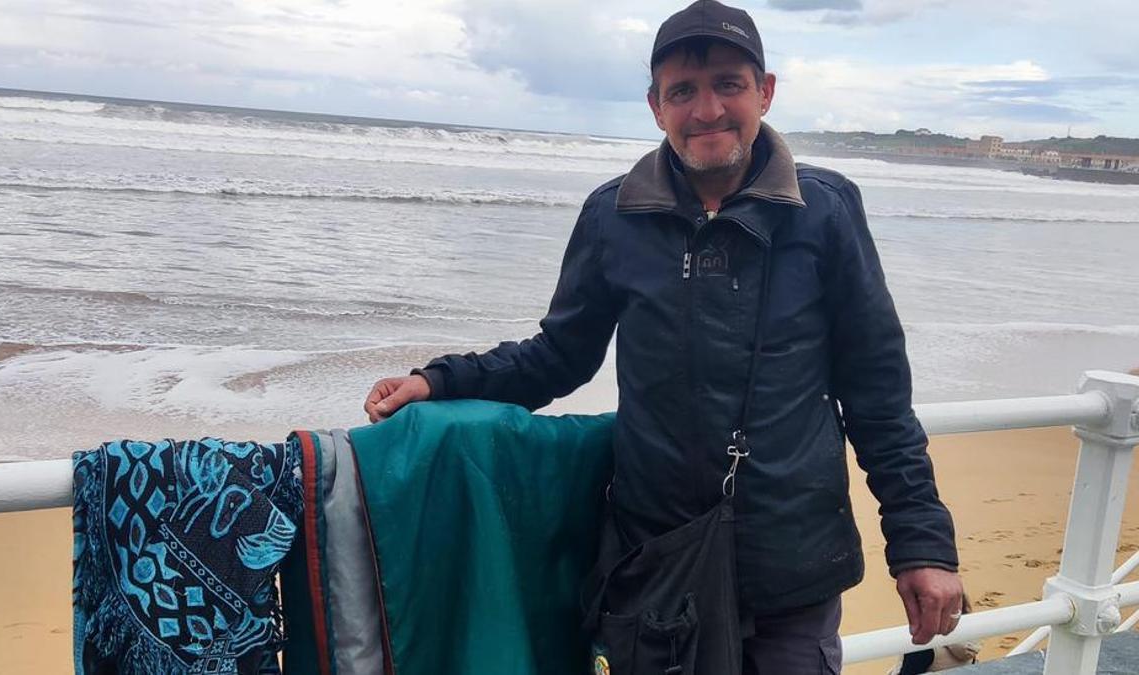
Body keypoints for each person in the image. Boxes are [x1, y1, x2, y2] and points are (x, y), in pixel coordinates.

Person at [364, 0, 963, 670]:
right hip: (658, 567)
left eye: (728, 84)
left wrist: (923, 544)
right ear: (655, 106)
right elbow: (559, 356)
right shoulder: (612, 215)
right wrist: (439, 380)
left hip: (793, 568)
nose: (706, 110)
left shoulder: (823, 212)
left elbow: (876, 390)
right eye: (683, 91)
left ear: (765, 92)